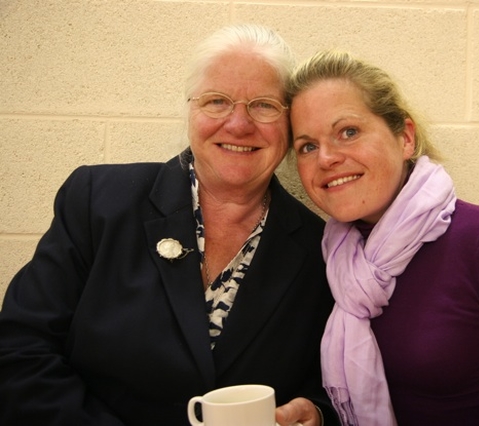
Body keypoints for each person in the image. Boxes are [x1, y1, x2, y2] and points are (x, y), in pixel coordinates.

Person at [0, 24, 338, 426]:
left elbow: (334, 384)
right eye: (217, 101)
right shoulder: (98, 202)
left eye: (264, 105)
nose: (238, 124)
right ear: (190, 109)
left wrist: (316, 414)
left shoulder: (322, 250)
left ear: (289, 122)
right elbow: (20, 348)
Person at [286, 49, 479, 426]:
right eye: (307, 146)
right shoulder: (333, 261)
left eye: (348, 132)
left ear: (404, 137)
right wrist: (320, 417)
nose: (325, 159)